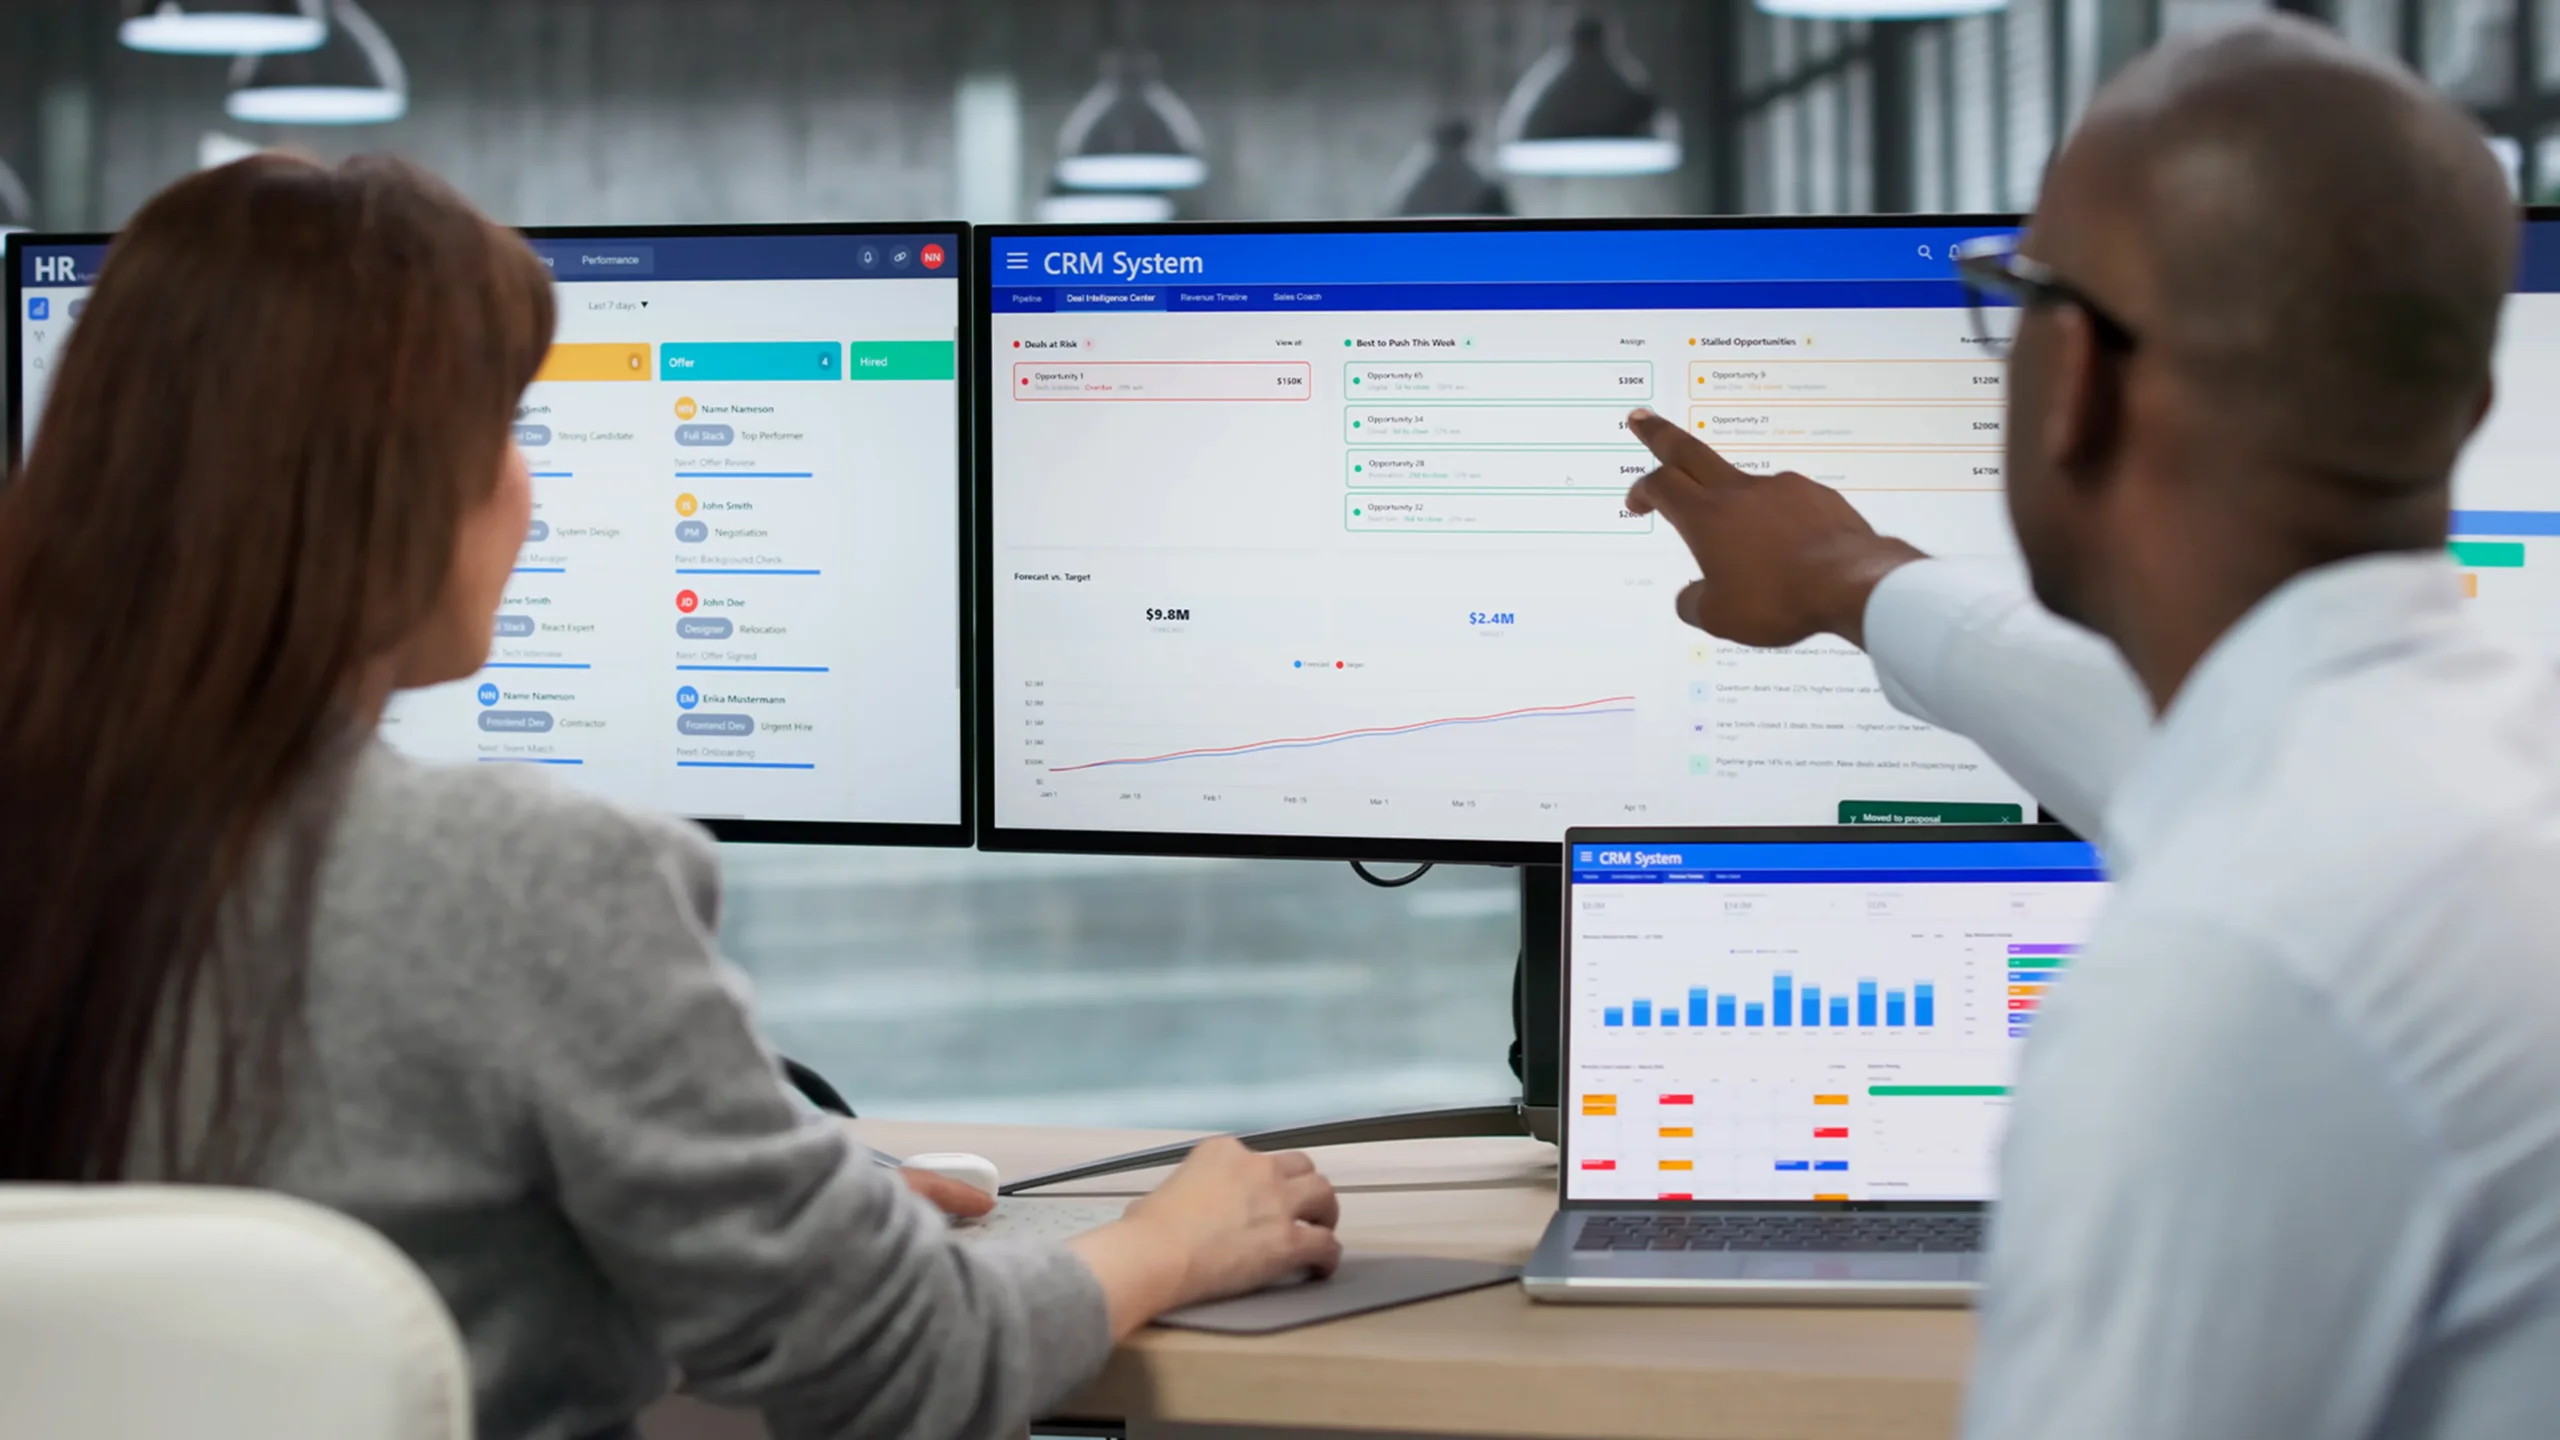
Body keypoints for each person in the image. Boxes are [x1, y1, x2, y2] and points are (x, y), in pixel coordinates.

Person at [0, 153, 1340, 1440]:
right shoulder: (526, 879)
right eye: (506, 426)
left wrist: (778, 1194)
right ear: (394, 493)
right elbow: (907, 1371)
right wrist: (1167, 1243)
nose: (527, 484)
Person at [1624, 18, 2560, 1439]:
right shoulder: (2463, 760)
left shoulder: (2227, 972)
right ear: (2467, 404)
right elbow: (2146, 740)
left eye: (2013, 295)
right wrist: (1846, 580)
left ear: (2080, 385)